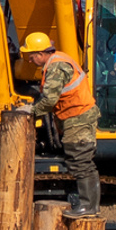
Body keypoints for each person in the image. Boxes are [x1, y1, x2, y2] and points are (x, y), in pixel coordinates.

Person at [20, 29, 100, 215]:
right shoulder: (59, 60)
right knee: (80, 162)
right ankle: (89, 206)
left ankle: (88, 207)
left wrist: (30, 111)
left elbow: (49, 100)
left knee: (81, 162)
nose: (30, 61)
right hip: (76, 117)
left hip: (78, 118)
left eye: (31, 57)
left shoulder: (55, 67)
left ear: (41, 54)